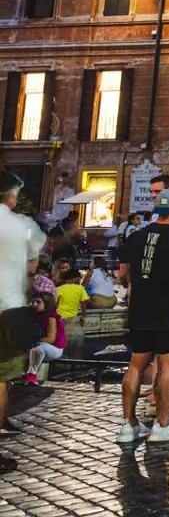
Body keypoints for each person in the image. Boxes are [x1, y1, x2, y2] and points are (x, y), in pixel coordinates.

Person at [116, 188, 169, 444]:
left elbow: (122, 274)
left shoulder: (136, 236)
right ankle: (162, 425)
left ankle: (128, 425)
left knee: (135, 365)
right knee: (167, 367)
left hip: (141, 308)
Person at [0, 173, 45, 472]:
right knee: (1, 379)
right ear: (12, 196)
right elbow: (32, 266)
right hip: (7, 309)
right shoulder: (23, 226)